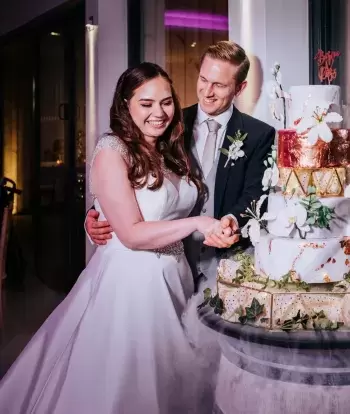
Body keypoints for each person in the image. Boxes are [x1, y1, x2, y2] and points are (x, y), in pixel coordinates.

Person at [0, 63, 237, 414]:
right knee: (129, 382)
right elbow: (131, 234)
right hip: (131, 284)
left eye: (167, 102)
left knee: (174, 379)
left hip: (175, 273)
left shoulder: (171, 144)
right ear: (125, 104)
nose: (159, 112)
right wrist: (197, 223)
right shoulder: (113, 149)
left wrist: (99, 213)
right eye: (146, 104)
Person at [86, 41, 276, 288]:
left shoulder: (259, 134)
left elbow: (256, 194)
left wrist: (231, 220)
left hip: (223, 261)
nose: (207, 91)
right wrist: (95, 215)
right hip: (164, 262)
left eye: (218, 85)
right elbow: (126, 176)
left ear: (240, 88)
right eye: (203, 79)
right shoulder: (168, 124)